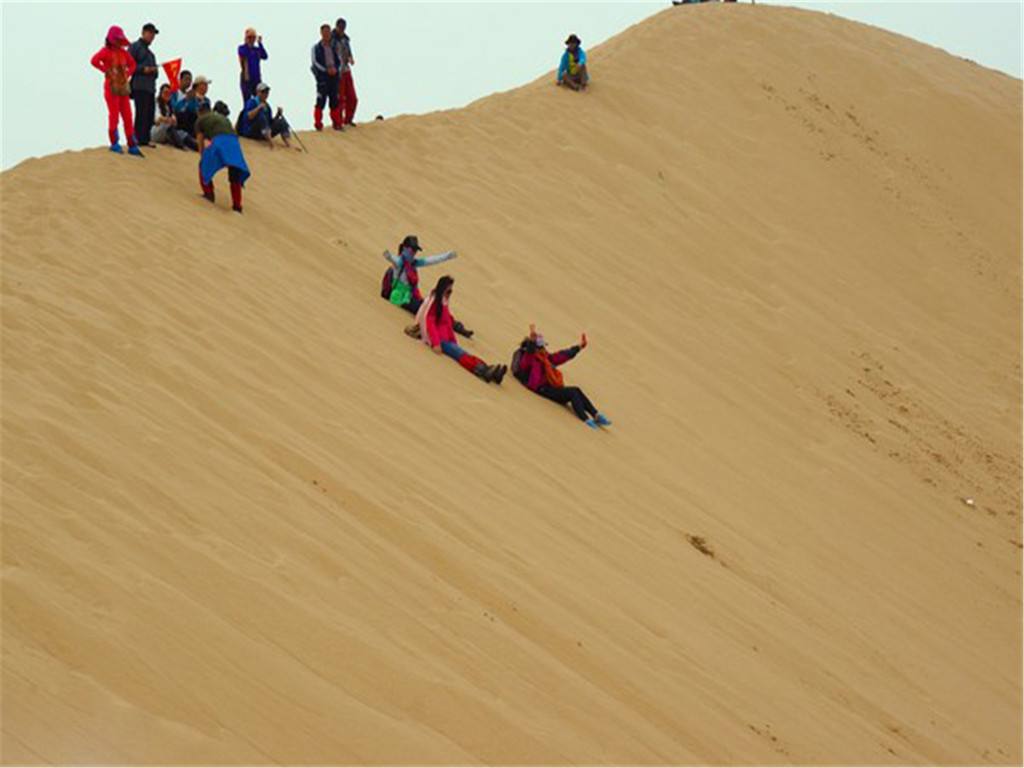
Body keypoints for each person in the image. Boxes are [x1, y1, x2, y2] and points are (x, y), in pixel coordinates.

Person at [513, 325, 610, 428]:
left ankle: (596, 414)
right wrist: (532, 342)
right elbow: (529, 354)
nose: (544, 349)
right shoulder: (528, 359)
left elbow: (562, 356)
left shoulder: (546, 358)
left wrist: (579, 347)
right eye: (541, 347)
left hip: (549, 386)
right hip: (541, 389)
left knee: (576, 390)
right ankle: (585, 419)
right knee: (572, 393)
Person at [418, 276, 505, 384]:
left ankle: (490, 370)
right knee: (461, 355)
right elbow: (430, 322)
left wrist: (453, 339)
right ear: (443, 288)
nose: (450, 292)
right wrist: (436, 343)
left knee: (464, 353)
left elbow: (448, 324)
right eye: (449, 290)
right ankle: (483, 371)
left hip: (446, 338)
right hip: (440, 340)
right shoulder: (435, 301)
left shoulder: (443, 301)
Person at [382, 235, 473, 338]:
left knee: (432, 307)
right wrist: (389, 256)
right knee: (430, 310)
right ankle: (454, 326)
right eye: (412, 250)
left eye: (415, 251)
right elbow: (394, 260)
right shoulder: (400, 263)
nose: (414, 253)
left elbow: (431, 260)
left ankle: (456, 325)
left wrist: (447, 256)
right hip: (400, 299)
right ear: (404, 248)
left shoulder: (414, 263)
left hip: (410, 297)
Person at [90, 25, 142, 155]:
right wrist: (106, 71)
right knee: (114, 115)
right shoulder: (105, 51)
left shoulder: (123, 53)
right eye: (117, 39)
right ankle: (114, 143)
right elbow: (94, 60)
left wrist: (127, 74)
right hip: (111, 87)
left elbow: (133, 64)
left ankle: (132, 144)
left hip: (123, 87)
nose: (119, 42)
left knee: (128, 115)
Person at [196, 101, 250, 213]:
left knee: (204, 166)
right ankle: (237, 206)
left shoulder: (200, 120)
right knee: (235, 171)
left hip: (219, 141)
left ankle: (208, 194)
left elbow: (200, 140)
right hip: (233, 142)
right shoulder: (223, 118)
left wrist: (202, 157)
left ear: (199, 112)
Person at [128, 22, 160, 145]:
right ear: (143, 33)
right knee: (140, 113)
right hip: (139, 86)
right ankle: (137, 139)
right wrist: (143, 69)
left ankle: (145, 139)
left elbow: (155, 74)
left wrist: (154, 71)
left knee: (149, 114)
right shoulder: (135, 47)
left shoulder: (151, 54)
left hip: (150, 88)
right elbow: (128, 65)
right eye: (150, 33)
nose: (152, 36)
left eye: (153, 34)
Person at [239, 83, 295, 149]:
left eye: (267, 92)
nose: (265, 94)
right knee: (261, 117)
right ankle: (271, 143)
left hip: (262, 132)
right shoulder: (252, 102)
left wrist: (277, 115)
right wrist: (258, 108)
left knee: (281, 122)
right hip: (250, 132)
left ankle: (288, 144)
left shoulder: (267, 106)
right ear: (257, 92)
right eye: (263, 92)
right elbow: (248, 117)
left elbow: (269, 122)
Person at [310, 24, 343, 131]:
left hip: (334, 77)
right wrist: (326, 70)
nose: (327, 34)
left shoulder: (334, 47)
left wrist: (336, 69)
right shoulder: (316, 48)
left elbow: (340, 60)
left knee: (335, 100)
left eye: (328, 32)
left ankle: (337, 123)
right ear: (321, 33)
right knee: (321, 100)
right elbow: (315, 62)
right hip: (322, 78)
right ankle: (318, 124)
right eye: (325, 32)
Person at [153, 84, 198, 150]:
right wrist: (168, 120)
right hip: (155, 132)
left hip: (167, 133)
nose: (167, 95)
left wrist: (173, 120)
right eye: (165, 92)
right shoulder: (155, 102)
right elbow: (157, 118)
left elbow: (175, 122)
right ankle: (181, 146)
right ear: (160, 93)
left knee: (182, 134)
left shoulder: (169, 107)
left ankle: (198, 147)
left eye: (169, 93)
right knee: (168, 127)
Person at [333, 18, 357, 126]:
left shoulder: (345, 39)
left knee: (352, 98)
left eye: (343, 28)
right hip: (338, 72)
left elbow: (348, 51)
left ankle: (348, 119)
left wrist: (351, 58)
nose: (342, 30)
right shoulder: (332, 39)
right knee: (340, 98)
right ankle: (339, 121)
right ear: (337, 27)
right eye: (340, 28)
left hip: (346, 70)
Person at [238, 28, 268, 103]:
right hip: (246, 78)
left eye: (253, 37)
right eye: (249, 37)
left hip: (256, 78)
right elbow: (243, 54)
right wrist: (247, 44)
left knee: (259, 99)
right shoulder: (242, 48)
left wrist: (260, 44)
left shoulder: (257, 50)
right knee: (247, 100)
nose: (251, 40)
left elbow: (265, 56)